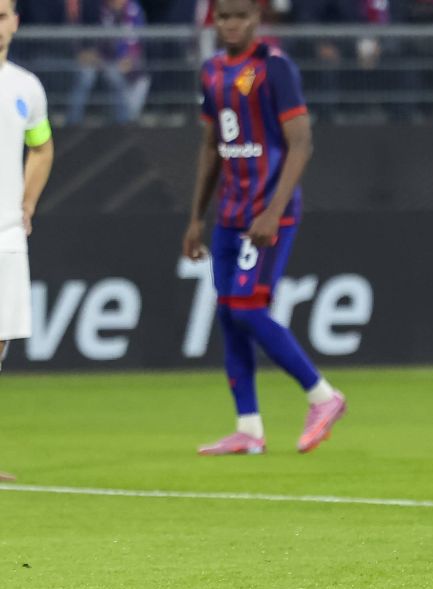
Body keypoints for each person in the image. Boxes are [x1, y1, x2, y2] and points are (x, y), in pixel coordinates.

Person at [182, 0, 346, 456]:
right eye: (223, 16)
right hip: (229, 215)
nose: (231, 24)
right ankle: (249, 428)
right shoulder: (212, 71)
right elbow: (212, 147)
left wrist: (273, 210)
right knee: (228, 314)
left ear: (256, 19)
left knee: (247, 308)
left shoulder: (275, 68)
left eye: (240, 15)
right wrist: (197, 216)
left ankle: (323, 396)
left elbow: (301, 143)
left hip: (267, 213)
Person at [0, 0, 54, 482]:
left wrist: (28, 202)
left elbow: (40, 145)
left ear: (15, 22)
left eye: (0, 16)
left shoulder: (25, 87)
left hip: (6, 234)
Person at [66, 0, 151, 126]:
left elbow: (138, 45)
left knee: (126, 84)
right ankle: (73, 122)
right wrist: (89, 54)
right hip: (100, 61)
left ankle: (122, 124)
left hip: (127, 68)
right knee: (87, 75)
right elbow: (85, 43)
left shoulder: (134, 10)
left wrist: (130, 59)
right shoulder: (96, 9)